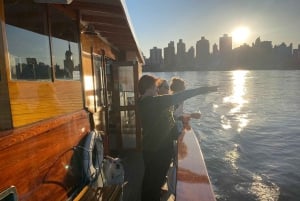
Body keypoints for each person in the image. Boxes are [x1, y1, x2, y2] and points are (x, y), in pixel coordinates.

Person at [137, 74, 217, 201]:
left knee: (150, 180)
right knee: (154, 182)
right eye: (154, 87)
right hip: (160, 151)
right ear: (148, 87)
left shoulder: (143, 103)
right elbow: (179, 96)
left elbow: (162, 119)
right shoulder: (152, 102)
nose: (156, 90)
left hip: (149, 149)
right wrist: (204, 89)